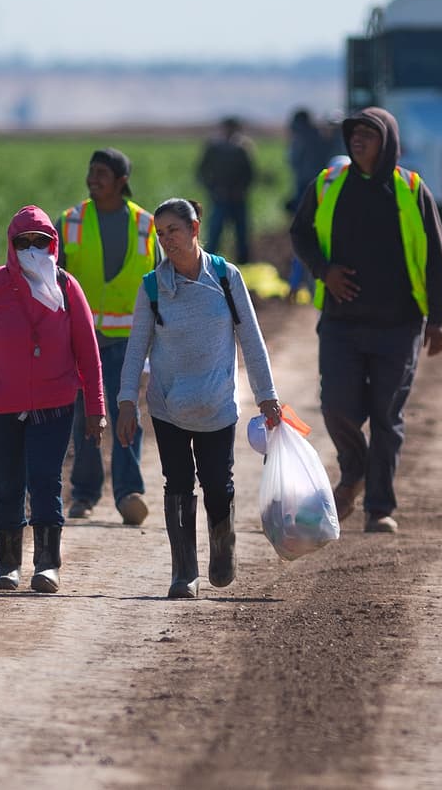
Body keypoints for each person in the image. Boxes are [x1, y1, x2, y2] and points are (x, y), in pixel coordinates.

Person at [289, 107, 442, 535]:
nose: (358, 139)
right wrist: (324, 271)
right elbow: (300, 233)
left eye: (369, 133)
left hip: (399, 325)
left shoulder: (411, 190)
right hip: (341, 322)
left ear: (388, 143)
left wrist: (439, 317)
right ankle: (354, 471)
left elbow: (435, 256)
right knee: (336, 405)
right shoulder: (327, 184)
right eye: (354, 132)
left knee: (385, 416)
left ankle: (379, 507)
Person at [116, 197, 282, 599]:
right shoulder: (153, 287)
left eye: (173, 230)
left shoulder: (225, 277)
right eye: (160, 234)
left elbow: (252, 339)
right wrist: (126, 401)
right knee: (177, 483)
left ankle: (223, 548)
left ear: (194, 229)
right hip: (168, 405)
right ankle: (184, 571)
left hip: (217, 405)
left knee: (218, 484)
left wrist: (267, 397)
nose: (166, 240)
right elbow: (136, 349)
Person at [0, 205, 107, 593]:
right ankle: (7, 566)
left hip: (53, 406)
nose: (33, 249)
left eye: (41, 241)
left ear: (53, 245)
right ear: (11, 244)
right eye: (24, 242)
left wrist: (96, 408)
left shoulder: (67, 288)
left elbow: (88, 352)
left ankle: (47, 565)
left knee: (45, 480)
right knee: (7, 484)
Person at [56, 148, 158, 525]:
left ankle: (129, 492)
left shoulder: (147, 225)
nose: (93, 179)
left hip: (128, 341)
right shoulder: (70, 222)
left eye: (101, 173)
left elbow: (159, 282)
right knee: (86, 416)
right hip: (82, 342)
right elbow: (53, 279)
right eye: (91, 171)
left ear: (121, 181)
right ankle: (84, 493)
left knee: (126, 415)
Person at [285, 109, 339, 302]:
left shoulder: (302, 141)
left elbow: (294, 163)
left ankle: (298, 284)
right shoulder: (323, 140)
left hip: (308, 192)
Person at [196, 116, 257, 264]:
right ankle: (208, 264)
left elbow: (250, 174)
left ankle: (243, 264)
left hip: (238, 199)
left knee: (241, 235)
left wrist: (241, 190)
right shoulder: (213, 148)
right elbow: (201, 172)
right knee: (214, 233)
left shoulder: (243, 149)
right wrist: (213, 190)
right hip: (219, 198)